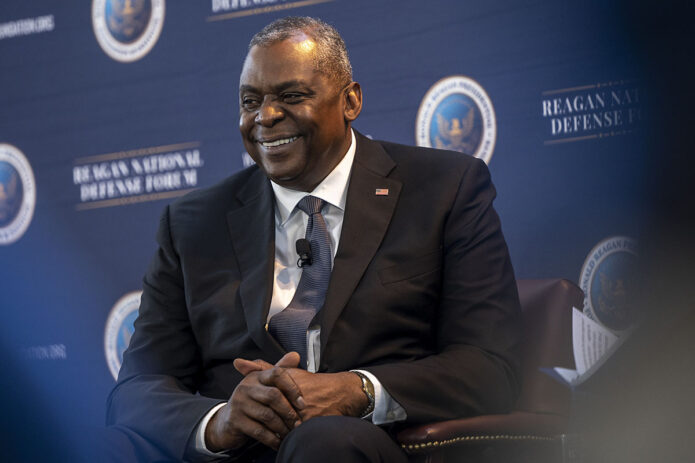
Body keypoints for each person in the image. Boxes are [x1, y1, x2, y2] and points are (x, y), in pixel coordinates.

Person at [107, 16, 522, 462]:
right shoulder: (192, 222)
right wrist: (219, 422)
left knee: (324, 444)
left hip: (357, 445)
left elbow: (488, 366)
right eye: (251, 101)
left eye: (291, 96)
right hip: (234, 452)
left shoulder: (444, 189)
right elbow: (137, 388)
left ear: (350, 101)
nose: (265, 117)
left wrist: (357, 390)